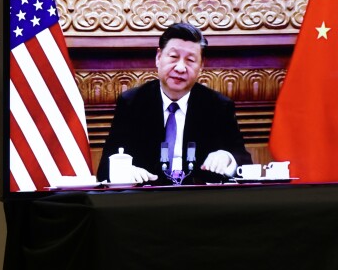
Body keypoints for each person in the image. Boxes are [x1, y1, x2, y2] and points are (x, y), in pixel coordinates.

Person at [96, 23, 252, 185]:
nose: (180, 68)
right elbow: (105, 168)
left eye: (190, 60)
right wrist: (123, 170)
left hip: (201, 201)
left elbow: (244, 161)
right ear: (158, 57)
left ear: (201, 66)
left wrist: (228, 158)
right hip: (145, 200)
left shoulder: (218, 106)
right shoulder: (132, 103)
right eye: (173, 57)